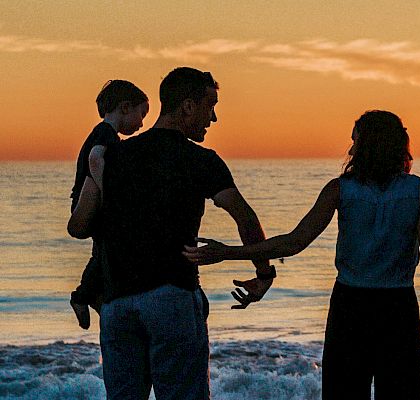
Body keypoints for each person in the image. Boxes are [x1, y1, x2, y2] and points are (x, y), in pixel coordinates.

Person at [182, 110, 420, 398]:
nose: (350, 148)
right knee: (400, 390)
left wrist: (227, 252)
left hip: (350, 306)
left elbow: (293, 243)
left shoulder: (340, 189)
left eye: (355, 141)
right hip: (398, 307)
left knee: (343, 391)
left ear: (368, 145)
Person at [67, 67, 277, 400]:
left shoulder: (112, 156)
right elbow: (245, 217)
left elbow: (79, 226)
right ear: (188, 107)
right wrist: (264, 273)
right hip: (172, 299)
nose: (215, 117)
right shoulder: (201, 160)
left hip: (117, 305)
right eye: (210, 106)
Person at [69, 79, 150, 330]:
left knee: (103, 250)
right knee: (104, 249)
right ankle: (82, 296)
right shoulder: (105, 133)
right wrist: (109, 192)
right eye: (141, 114)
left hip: (92, 201)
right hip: (90, 202)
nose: (141, 123)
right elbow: (95, 159)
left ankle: (91, 295)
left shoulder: (105, 133)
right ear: (125, 108)